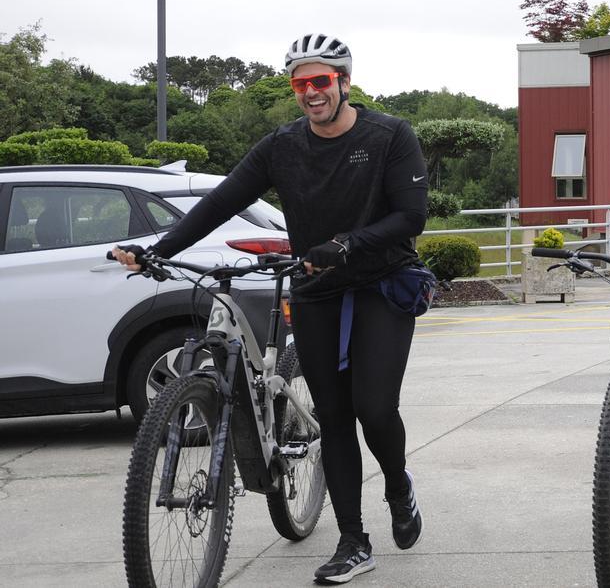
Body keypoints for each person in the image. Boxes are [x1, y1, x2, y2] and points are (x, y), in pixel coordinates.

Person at [112, 33, 428, 584]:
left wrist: (347, 244)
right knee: (332, 416)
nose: (311, 93)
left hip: (383, 281)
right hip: (314, 285)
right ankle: (354, 540)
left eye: (321, 81)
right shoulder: (282, 146)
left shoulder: (389, 136)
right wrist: (157, 250)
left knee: (374, 408)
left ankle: (398, 485)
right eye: (301, 83)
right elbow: (221, 201)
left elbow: (411, 216)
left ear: (344, 83)